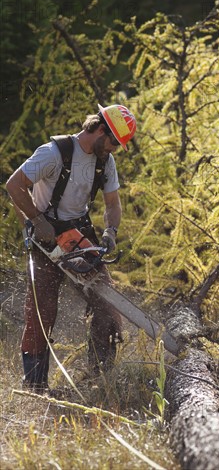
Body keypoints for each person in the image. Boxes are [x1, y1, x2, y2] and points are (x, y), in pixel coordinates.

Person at [6, 104, 137, 392]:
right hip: (46, 239)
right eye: (114, 142)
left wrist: (111, 232)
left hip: (79, 233)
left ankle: (99, 381)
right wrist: (37, 220)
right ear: (101, 129)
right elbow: (14, 184)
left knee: (108, 307)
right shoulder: (54, 153)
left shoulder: (105, 162)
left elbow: (113, 204)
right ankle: (35, 387)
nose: (114, 149)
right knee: (42, 312)